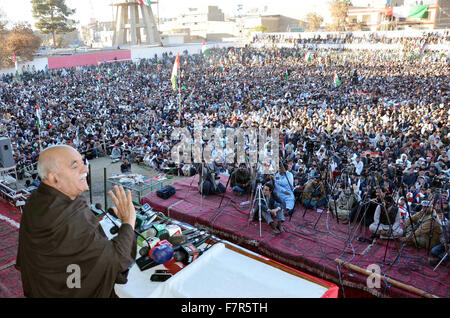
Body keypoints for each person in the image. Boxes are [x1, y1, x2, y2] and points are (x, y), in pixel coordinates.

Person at [16, 145, 137, 297]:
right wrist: (128, 221)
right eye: (75, 166)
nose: (85, 169)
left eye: (83, 162)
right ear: (54, 178)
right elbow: (116, 261)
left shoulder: (36, 198)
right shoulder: (68, 218)